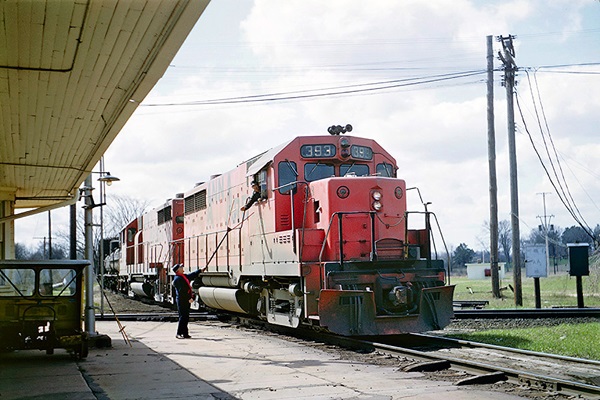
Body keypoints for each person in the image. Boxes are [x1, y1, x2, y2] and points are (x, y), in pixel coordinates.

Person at [172, 264, 202, 339]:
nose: (182, 268)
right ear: (178, 270)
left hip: (185, 300)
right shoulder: (178, 279)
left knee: (185, 317)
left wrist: (199, 271)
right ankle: (179, 333)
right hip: (182, 300)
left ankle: (185, 333)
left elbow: (191, 276)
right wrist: (189, 298)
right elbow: (182, 292)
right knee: (182, 317)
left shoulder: (183, 277)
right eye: (181, 267)